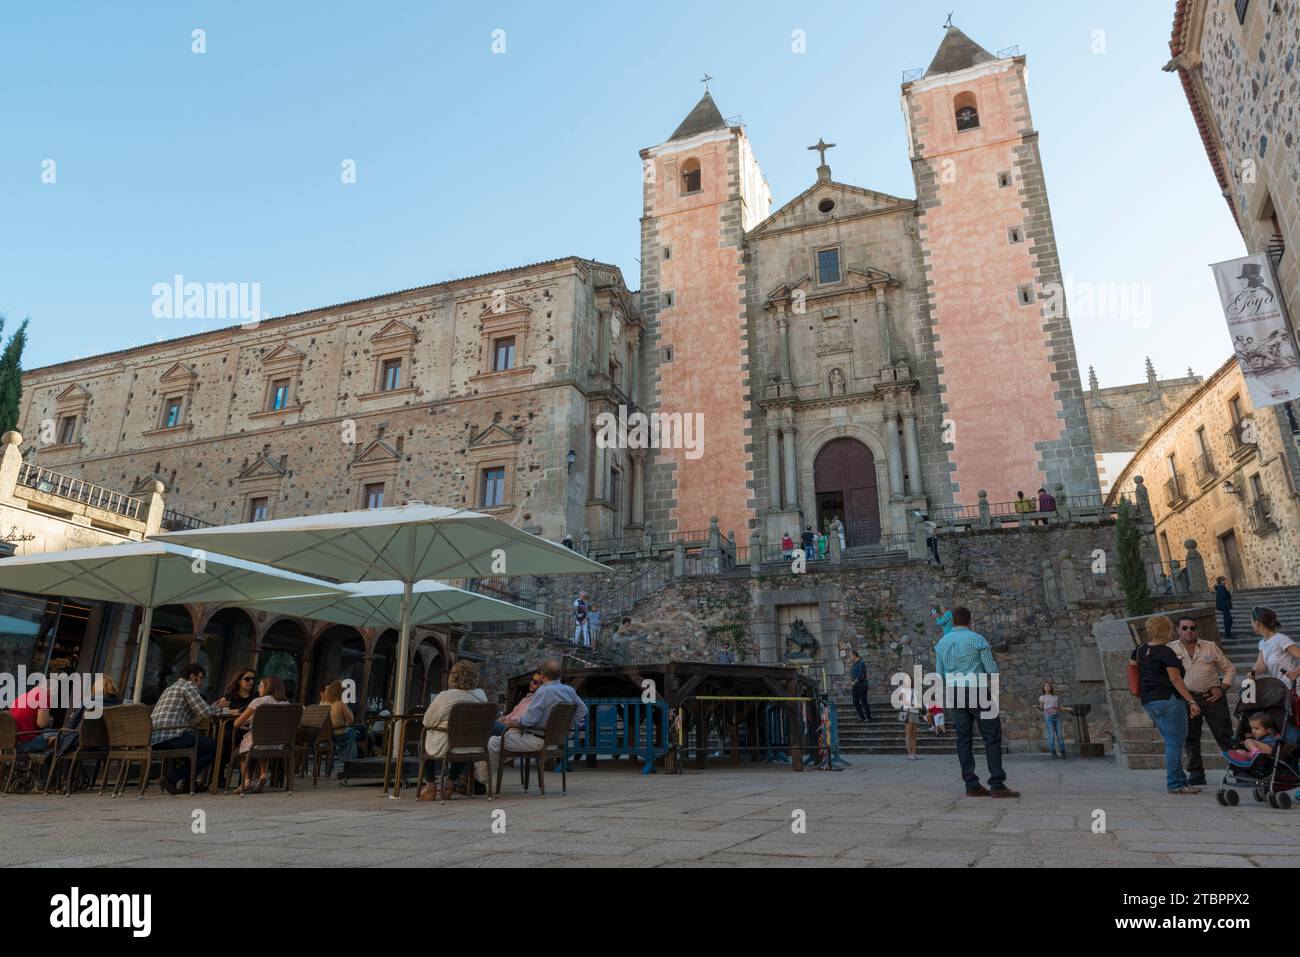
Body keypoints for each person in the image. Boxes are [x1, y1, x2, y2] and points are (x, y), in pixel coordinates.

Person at [935, 607, 1018, 797]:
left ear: (952, 621)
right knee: (992, 736)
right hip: (977, 689)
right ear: (969, 620)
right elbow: (991, 669)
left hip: (954, 692)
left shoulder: (941, 644)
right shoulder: (977, 639)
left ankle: (971, 784)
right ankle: (997, 783)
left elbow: (939, 674)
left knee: (963, 739)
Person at [1131, 615, 1202, 795]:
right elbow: (1175, 679)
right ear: (1167, 629)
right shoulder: (1166, 652)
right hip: (1168, 699)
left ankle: (1179, 780)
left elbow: (1132, 669)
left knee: (1172, 741)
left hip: (1149, 701)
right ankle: (1176, 783)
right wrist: (1191, 701)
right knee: (1175, 742)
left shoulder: (1139, 650)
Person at [487, 659, 587, 783]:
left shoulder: (543, 692)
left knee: (493, 742)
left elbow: (528, 721)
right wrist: (567, 725)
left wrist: (514, 722)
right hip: (554, 742)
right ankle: (480, 777)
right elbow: (582, 710)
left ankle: (480, 778)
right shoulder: (569, 691)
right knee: (502, 740)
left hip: (536, 740)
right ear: (560, 675)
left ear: (543, 675)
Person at [1171, 616, 1237, 786]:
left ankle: (1238, 770)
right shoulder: (1170, 649)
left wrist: (1223, 689)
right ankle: (1196, 773)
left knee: (1224, 734)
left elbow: (1229, 669)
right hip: (1187, 699)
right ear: (1177, 630)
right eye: (1184, 628)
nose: (1189, 631)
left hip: (1212, 697)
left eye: (1192, 628)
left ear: (1196, 630)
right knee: (1191, 737)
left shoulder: (1210, 646)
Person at [151, 664, 228, 794]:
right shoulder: (188, 686)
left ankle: (187, 783)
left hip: (155, 738)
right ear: (192, 676)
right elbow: (206, 713)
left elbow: (192, 718)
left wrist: (211, 707)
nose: (202, 683)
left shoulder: (170, 688)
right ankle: (173, 778)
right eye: (201, 678)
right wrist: (221, 708)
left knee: (201, 747)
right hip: (172, 736)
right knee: (214, 748)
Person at [419, 660, 488, 801]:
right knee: (463, 741)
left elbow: (427, 721)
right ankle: (450, 784)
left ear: (453, 676)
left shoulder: (445, 696)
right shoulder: (481, 695)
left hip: (446, 745)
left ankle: (430, 785)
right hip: (474, 746)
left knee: (424, 741)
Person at [231, 676, 288, 794]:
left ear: (267, 688)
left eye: (260, 686)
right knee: (264, 745)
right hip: (278, 744)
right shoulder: (286, 703)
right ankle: (263, 775)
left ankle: (246, 781)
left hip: (257, 743)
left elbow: (237, 723)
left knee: (241, 752)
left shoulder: (258, 702)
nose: (258, 689)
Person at [1249, 606, 1300, 688]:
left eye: (1251, 621)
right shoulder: (1262, 643)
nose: (1251, 624)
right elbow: (1261, 665)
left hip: (1295, 688)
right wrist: (1253, 672)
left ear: (1257, 622)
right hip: (1281, 689)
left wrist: (1297, 671)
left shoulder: (1280, 639)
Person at [11, 681, 55, 755]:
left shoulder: (21, 697)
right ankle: (44, 756)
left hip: (12, 743)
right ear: (50, 689)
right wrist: (48, 721)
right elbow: (42, 724)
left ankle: (41, 756)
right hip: (26, 743)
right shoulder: (43, 696)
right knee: (64, 737)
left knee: (50, 734)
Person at [494, 670, 543, 736]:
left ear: (542, 686)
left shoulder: (535, 702)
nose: (531, 683)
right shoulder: (525, 699)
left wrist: (505, 722)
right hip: (508, 727)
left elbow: (519, 720)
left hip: (513, 730)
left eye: (535, 682)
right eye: (532, 680)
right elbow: (511, 715)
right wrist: (503, 718)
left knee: (491, 724)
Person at [321, 680, 357, 764]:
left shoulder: (324, 704)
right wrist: (350, 711)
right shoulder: (341, 704)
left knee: (353, 732)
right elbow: (351, 720)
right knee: (353, 733)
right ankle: (351, 762)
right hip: (340, 734)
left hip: (329, 735)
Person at [1037, 680, 1073, 759]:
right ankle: (1054, 753)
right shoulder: (1042, 697)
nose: (1047, 687)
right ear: (1043, 688)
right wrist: (1038, 706)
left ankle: (1063, 752)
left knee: (1060, 735)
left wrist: (1067, 708)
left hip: (1057, 716)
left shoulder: (1055, 697)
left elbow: (1058, 708)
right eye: (1046, 686)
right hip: (1048, 717)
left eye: (1049, 686)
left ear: (1051, 687)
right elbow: (1041, 708)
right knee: (1051, 735)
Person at [897, 671, 922, 760]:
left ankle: (914, 753)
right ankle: (909, 753)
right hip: (908, 712)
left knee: (914, 734)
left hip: (915, 712)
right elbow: (901, 701)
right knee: (908, 733)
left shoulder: (914, 690)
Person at [849, 650, 871, 722]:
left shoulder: (861, 663)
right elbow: (853, 675)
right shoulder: (854, 664)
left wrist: (855, 681)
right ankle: (862, 717)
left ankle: (868, 717)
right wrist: (850, 681)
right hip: (855, 686)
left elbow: (861, 674)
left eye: (850, 655)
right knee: (855, 702)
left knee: (864, 702)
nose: (850, 657)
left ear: (854, 655)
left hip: (862, 685)